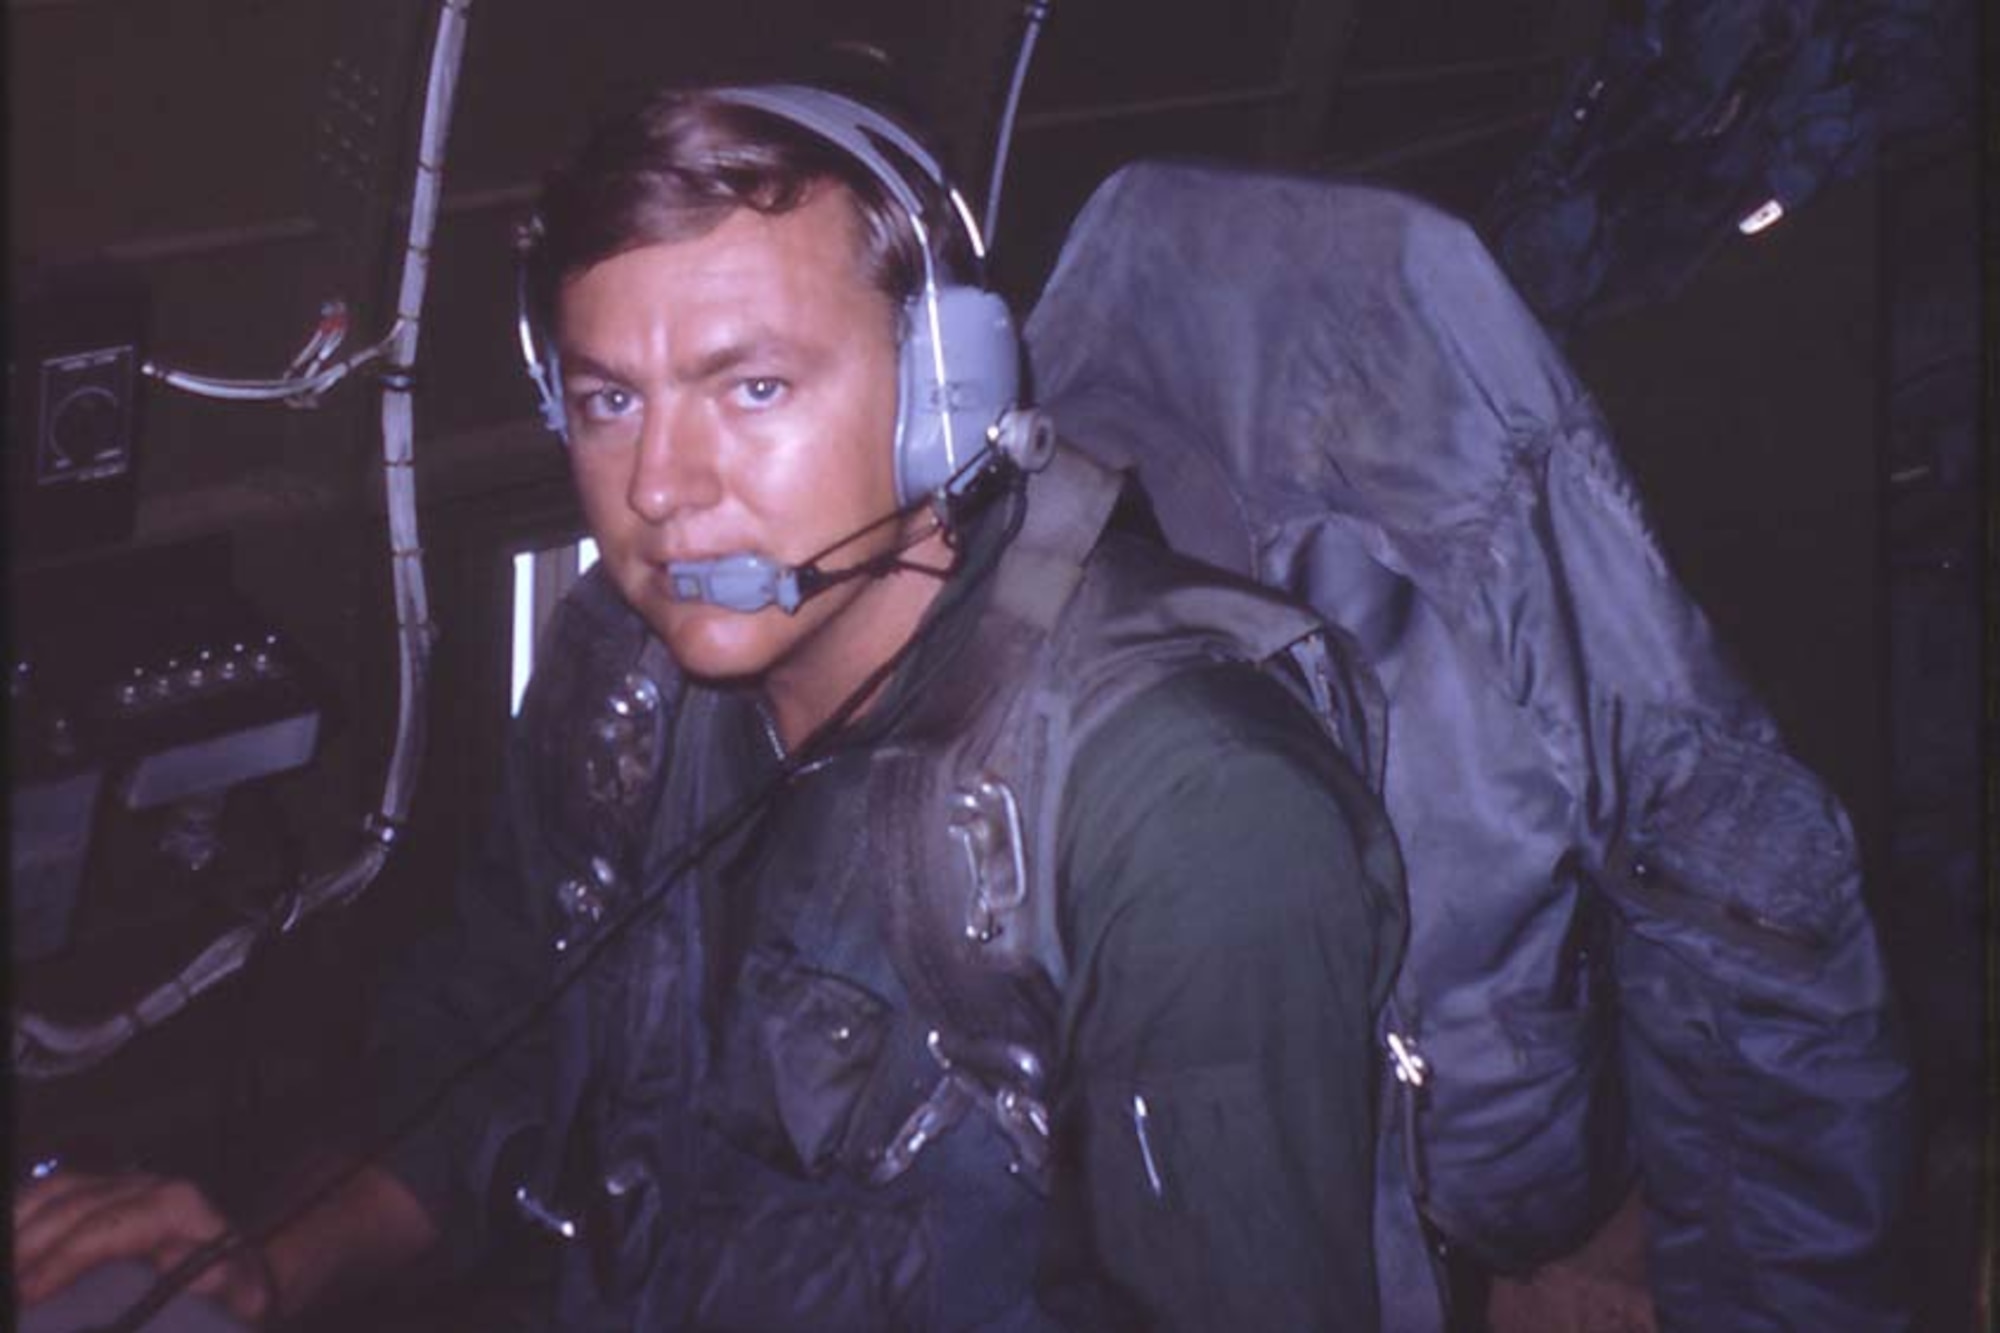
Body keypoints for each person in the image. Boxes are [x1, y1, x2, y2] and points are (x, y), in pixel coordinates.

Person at [14, 83, 1407, 1331]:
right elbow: (495, 1038)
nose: (661, 489)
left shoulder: (1187, 809)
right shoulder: (619, 663)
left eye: (752, 386)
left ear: (948, 402)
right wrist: (271, 1262)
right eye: (610, 399)